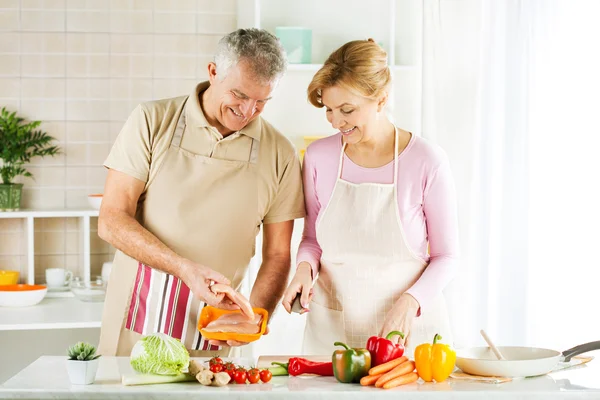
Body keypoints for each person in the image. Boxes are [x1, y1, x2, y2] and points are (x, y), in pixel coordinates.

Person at [97, 28, 305, 357]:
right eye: (239, 95)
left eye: (262, 101)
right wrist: (184, 269)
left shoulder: (280, 152)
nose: (248, 110)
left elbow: (278, 256)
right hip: (138, 314)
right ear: (212, 72)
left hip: (219, 323)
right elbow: (111, 220)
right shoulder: (152, 121)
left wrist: (255, 319)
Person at [282, 39, 459, 358]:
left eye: (347, 110)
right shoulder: (318, 157)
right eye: (329, 110)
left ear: (381, 99)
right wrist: (303, 271)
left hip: (409, 335)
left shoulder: (426, 160)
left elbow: (446, 256)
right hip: (333, 337)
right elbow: (312, 240)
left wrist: (411, 302)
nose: (336, 122)